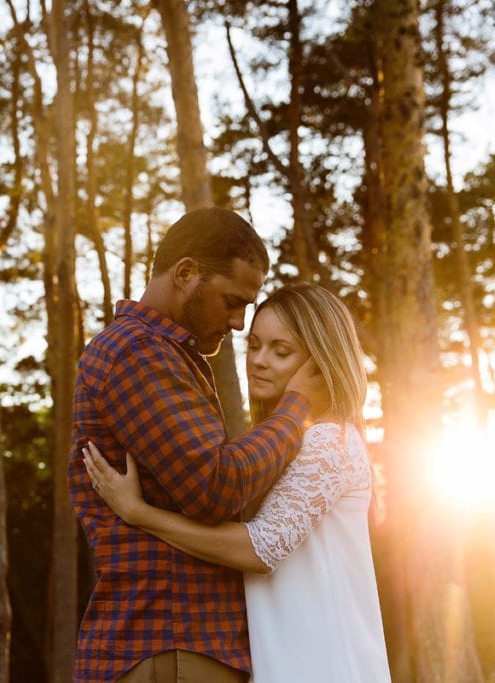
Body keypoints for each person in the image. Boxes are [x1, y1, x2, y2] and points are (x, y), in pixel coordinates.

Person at [83, 283, 392, 683]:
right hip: (286, 660)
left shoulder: (330, 440)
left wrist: (139, 513)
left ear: (319, 364)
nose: (259, 361)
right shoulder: (286, 443)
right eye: (255, 345)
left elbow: (259, 550)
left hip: (325, 662)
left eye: (282, 352)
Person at [68, 207, 327, 683]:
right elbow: (216, 486)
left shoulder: (158, 355)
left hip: (175, 644)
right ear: (185, 274)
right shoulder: (138, 353)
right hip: (172, 641)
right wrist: (297, 409)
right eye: (231, 300)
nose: (236, 322)